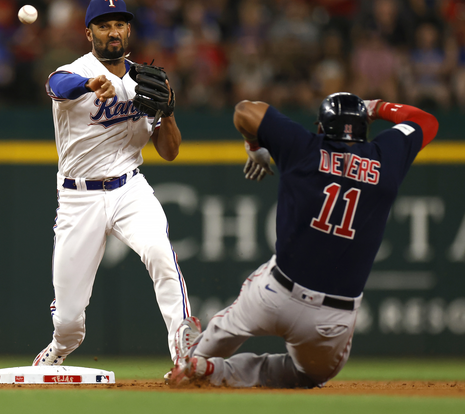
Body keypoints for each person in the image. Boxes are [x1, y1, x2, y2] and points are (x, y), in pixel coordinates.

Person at [170, 93, 439, 388]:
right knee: (309, 376)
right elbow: (426, 121)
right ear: (364, 127)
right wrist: (376, 108)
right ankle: (215, 371)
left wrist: (255, 145)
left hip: (273, 294)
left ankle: (195, 359)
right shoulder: (387, 156)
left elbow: (244, 111)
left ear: (322, 127)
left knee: (211, 344)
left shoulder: (303, 145)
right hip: (330, 318)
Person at [32, 0, 191, 378]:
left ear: (128, 30)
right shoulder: (72, 71)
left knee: (161, 256)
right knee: (69, 321)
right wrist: (90, 83)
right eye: (104, 25)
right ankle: (60, 346)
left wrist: (167, 112)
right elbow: (58, 86)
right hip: (78, 197)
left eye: (119, 24)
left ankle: (186, 353)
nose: (113, 31)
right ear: (89, 33)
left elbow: (169, 152)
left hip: (130, 189)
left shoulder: (147, 79)